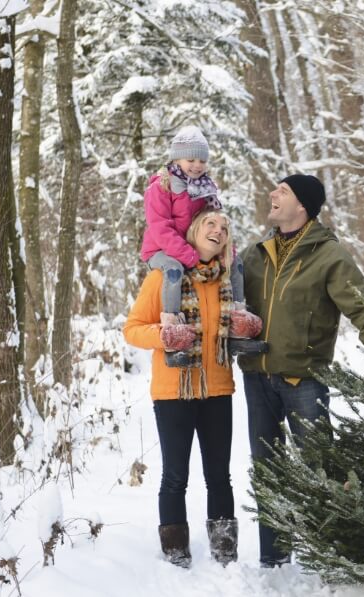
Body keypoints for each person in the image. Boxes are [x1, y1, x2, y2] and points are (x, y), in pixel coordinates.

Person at [238, 174, 364, 568]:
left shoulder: (329, 256)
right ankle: (273, 560)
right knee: (267, 469)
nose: (272, 194)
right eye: (275, 189)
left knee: (319, 469)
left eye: (283, 191)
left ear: (302, 207)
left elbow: (362, 307)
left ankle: (329, 555)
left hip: (304, 381)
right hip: (257, 378)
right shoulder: (254, 255)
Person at [124, 209, 263, 568]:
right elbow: (133, 328)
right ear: (194, 232)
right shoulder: (165, 277)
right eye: (211, 224)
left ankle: (225, 553)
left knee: (219, 475)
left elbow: (235, 327)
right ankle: (176, 553)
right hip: (174, 391)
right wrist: (163, 335)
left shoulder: (227, 281)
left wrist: (245, 327)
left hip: (217, 389)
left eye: (225, 227)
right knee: (175, 476)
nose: (219, 231)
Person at [139, 125, 252, 367]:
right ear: (176, 158)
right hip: (160, 250)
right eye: (190, 159)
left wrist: (225, 251)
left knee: (236, 263)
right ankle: (174, 336)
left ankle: (236, 326)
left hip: (191, 248)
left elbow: (212, 220)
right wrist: (187, 256)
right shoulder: (161, 186)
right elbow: (160, 227)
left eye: (201, 160)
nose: (196, 165)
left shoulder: (204, 188)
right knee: (173, 270)